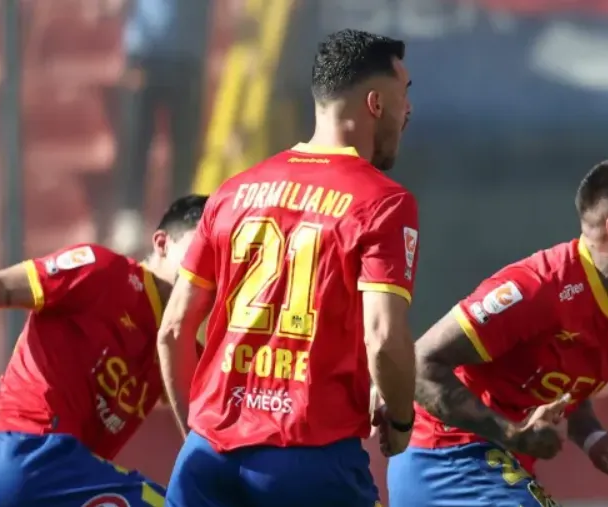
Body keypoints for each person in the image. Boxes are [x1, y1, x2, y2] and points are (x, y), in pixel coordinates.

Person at [157, 28, 418, 507]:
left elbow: (174, 329)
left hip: (206, 456)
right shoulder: (382, 202)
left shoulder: (233, 191)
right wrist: (401, 420)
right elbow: (383, 337)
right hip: (308, 457)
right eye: (404, 96)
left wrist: (198, 437)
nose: (409, 112)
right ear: (376, 103)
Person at [386, 159, 608, 507]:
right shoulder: (536, 289)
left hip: (500, 468)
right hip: (445, 460)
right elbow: (419, 363)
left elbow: (567, 390)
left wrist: (593, 436)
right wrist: (511, 433)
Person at [0, 195, 208, 507]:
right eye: (202, 252)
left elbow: (218, 426)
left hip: (2, 484)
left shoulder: (182, 347)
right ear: (162, 244)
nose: (209, 271)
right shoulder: (102, 271)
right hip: (22, 460)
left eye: (219, 262)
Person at [109, 0, 210, 255]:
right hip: (144, 52)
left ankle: (182, 222)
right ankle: (129, 216)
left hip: (188, 54)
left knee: (184, 145)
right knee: (136, 140)